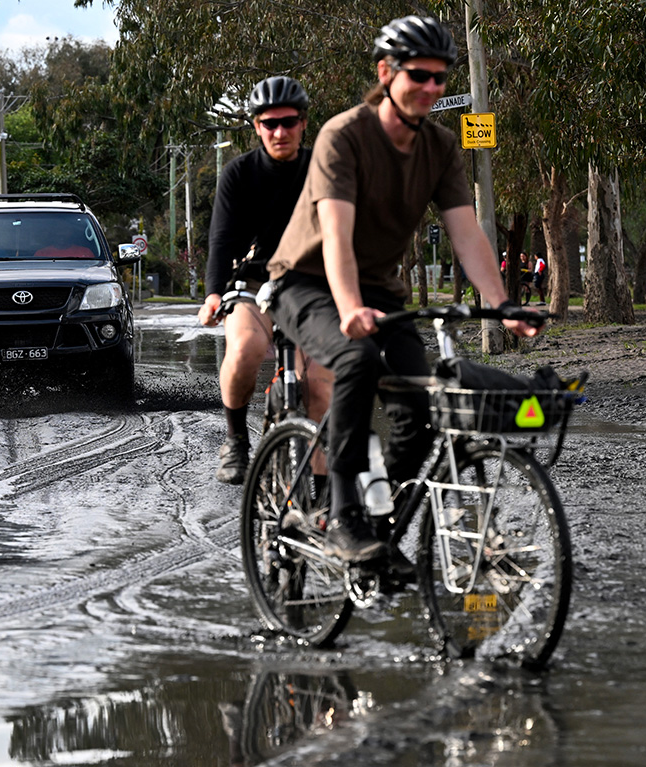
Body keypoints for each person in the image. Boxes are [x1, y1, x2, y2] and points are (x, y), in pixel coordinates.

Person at [265, 15, 540, 562]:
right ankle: (340, 514)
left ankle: (378, 525)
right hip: (305, 282)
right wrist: (349, 310)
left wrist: (503, 303)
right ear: (386, 72)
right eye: (420, 75)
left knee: (422, 401)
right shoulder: (344, 135)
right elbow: (337, 239)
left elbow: (466, 233)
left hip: (380, 289)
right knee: (358, 359)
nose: (433, 89)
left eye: (441, 78)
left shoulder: (439, 147)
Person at [198, 76, 333, 484]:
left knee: (320, 390)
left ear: (304, 123)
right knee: (246, 348)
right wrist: (213, 294)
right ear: (256, 126)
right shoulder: (238, 174)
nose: (280, 131)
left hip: (312, 286)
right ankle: (237, 438)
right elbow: (222, 240)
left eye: (289, 122)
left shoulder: (322, 169)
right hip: (253, 286)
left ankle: (323, 497)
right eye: (269, 123)